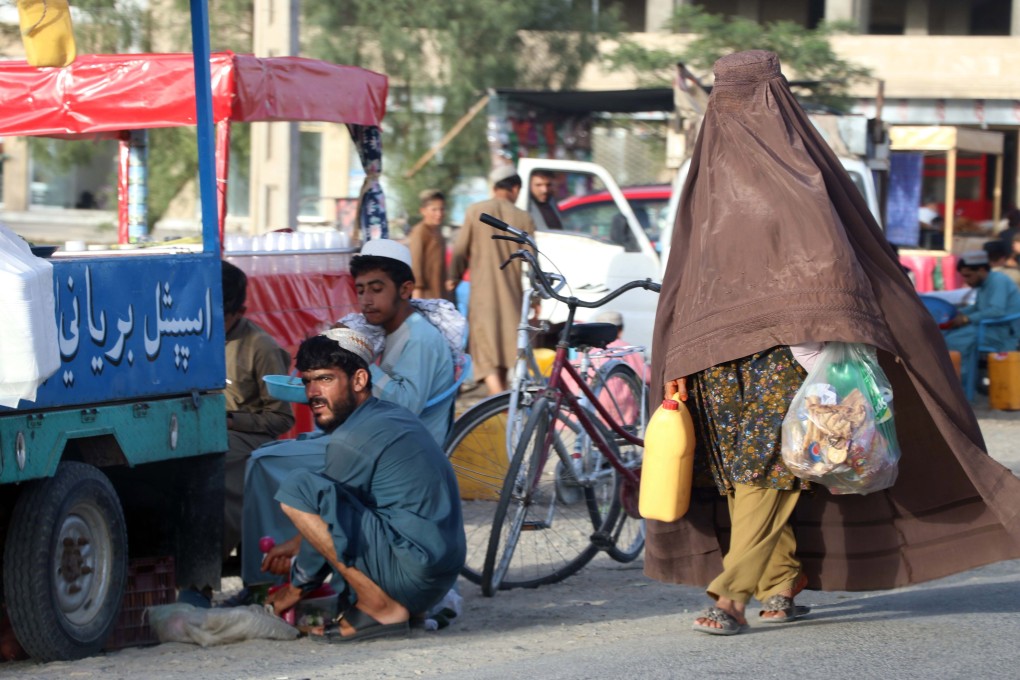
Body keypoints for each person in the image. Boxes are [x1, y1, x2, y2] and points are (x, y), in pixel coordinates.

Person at [649, 50, 1020, 636]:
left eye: (746, 91)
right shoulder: (708, 177)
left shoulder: (802, 176)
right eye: (727, 92)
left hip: (789, 357)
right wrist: (680, 359)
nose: (736, 106)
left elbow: (827, 262)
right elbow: (691, 278)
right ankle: (782, 578)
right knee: (746, 475)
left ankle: (731, 596)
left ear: (772, 96)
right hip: (718, 362)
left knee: (763, 475)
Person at [239, 238, 460, 592]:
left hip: (394, 453)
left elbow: (402, 410)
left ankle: (268, 582)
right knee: (268, 457)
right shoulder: (391, 331)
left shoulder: (419, 338)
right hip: (371, 440)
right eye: (360, 290)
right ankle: (288, 570)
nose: (367, 300)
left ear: (405, 289)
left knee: (265, 462)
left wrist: (360, 358)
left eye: (377, 289)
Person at [263, 331, 466, 641]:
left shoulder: (353, 437)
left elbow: (325, 513)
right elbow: (338, 513)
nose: (313, 392)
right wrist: (293, 546)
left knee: (298, 487)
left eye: (326, 379)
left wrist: (295, 588)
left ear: (359, 380)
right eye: (307, 382)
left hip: (415, 574)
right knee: (314, 494)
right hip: (437, 574)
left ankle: (379, 608)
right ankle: (388, 604)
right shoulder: (388, 415)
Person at [222, 260, 294, 561]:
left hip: (243, 435)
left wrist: (228, 419)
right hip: (200, 427)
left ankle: (203, 572)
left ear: (240, 312)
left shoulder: (260, 347)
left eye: (219, 316)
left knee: (214, 471)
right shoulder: (188, 335)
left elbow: (281, 418)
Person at [448, 164, 536, 395]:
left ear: (495, 188)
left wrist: (453, 277)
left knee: (486, 351)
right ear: (515, 189)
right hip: (512, 297)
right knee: (510, 348)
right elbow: (533, 260)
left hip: (482, 297)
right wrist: (537, 297)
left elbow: (460, 250)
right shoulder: (523, 217)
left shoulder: (475, 211)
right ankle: (504, 402)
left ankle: (499, 402)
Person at [942, 250, 1020, 389]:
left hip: (1002, 332)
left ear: (982, 270)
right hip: (988, 327)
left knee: (953, 342)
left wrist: (966, 319)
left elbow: (996, 311)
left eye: (968, 276)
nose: (966, 281)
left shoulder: (998, 281)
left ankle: (959, 389)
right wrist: (955, 314)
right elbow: (978, 307)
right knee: (942, 335)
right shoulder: (984, 284)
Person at [407, 189, 453, 301]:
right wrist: (417, 293)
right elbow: (415, 264)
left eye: (442, 209)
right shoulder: (420, 232)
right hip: (425, 296)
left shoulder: (438, 232)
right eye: (434, 210)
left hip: (439, 293)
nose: (439, 214)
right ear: (423, 211)